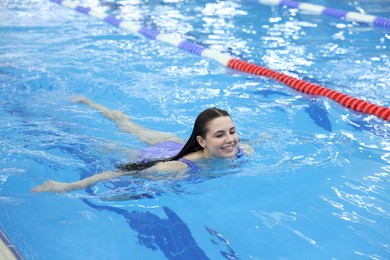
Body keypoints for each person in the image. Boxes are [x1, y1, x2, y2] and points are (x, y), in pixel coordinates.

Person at [32, 96, 252, 193]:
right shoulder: (177, 169)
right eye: (220, 135)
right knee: (107, 140)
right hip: (160, 155)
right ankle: (86, 103)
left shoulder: (241, 150)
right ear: (202, 141)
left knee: (128, 124)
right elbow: (121, 173)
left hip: (175, 144)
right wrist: (66, 186)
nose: (230, 139)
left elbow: (248, 144)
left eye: (232, 131)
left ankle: (87, 101)